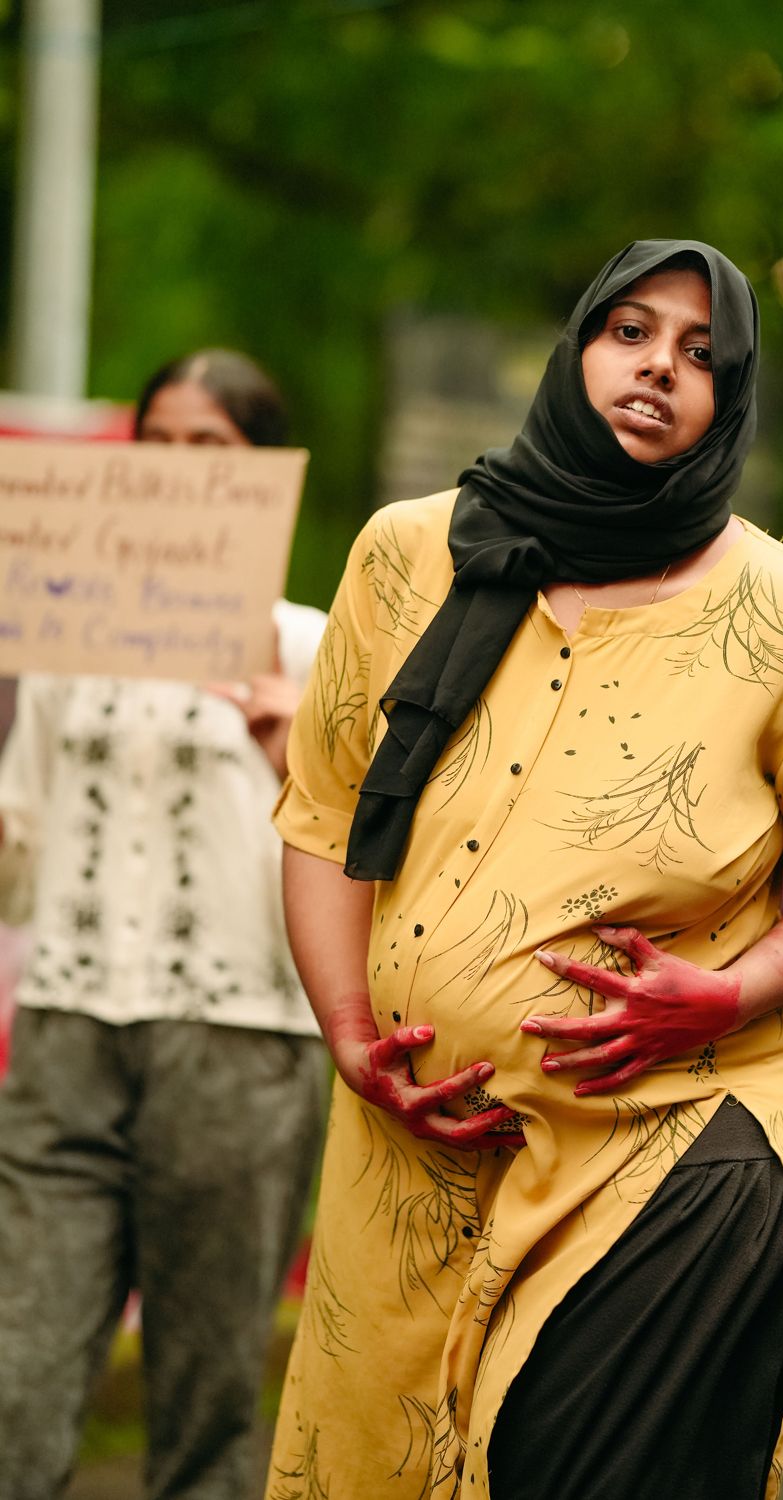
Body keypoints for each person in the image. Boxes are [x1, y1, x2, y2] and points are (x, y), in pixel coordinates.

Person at [268, 240, 783, 1500]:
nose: (657, 370)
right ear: (577, 350)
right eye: (630, 331)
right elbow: (325, 815)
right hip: (408, 1153)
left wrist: (728, 994)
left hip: (665, 1145)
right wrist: (351, 1033)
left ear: (726, 403)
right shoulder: (409, 555)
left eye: (700, 355)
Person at [0, 350, 328, 1500]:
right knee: (14, 1386)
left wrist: (299, 752)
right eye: (159, 445)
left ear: (263, 474)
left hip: (239, 1045)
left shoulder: (315, 645)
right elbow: (15, 859)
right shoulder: (53, 643)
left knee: (204, 1403)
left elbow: (372, 871)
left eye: (211, 450)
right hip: (67, 1037)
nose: (180, 472)